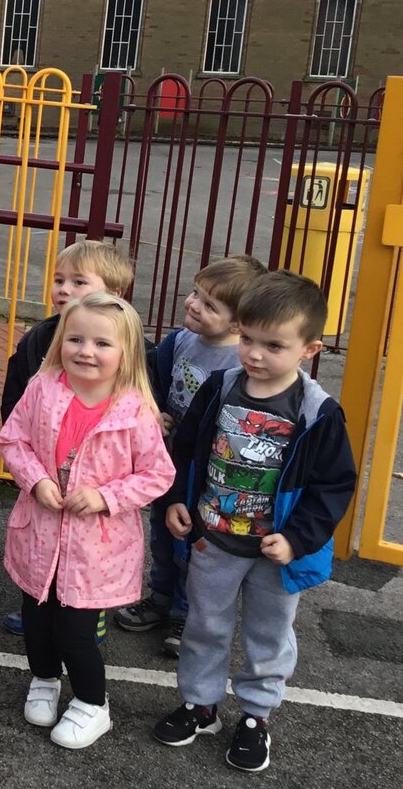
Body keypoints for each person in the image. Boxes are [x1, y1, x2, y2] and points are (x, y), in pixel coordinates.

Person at [152, 271, 356, 773]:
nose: (254, 354)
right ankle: (201, 705)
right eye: (247, 338)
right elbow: (186, 448)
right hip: (215, 539)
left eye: (274, 345)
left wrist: (296, 538)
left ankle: (256, 715)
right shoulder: (222, 387)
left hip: (274, 551)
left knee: (269, 635)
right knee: (204, 623)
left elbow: (333, 486)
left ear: (311, 349)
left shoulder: (317, 412)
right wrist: (177, 498)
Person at [0, 293, 174, 749]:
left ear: (127, 353)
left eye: (102, 343)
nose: (86, 351)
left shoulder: (135, 411)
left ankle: (93, 705)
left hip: (96, 548)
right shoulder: (43, 387)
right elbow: (13, 440)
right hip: (39, 533)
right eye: (75, 339)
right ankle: (44, 678)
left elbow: (158, 474)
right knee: (36, 619)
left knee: (75, 632)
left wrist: (104, 496)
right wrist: (36, 481)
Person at [117, 254, 266, 657]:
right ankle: (160, 596)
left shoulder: (239, 362)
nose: (193, 304)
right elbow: (154, 380)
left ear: (239, 324)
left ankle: (187, 612)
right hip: (169, 462)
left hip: (206, 471)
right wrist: (154, 409)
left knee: (194, 543)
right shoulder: (180, 342)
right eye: (195, 294)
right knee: (162, 534)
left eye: (209, 305)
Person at [0, 239, 135, 636]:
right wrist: (26, 461)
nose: (64, 290)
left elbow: (142, 404)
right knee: (44, 542)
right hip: (48, 467)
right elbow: (16, 396)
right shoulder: (41, 337)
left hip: (99, 477)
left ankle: (89, 609)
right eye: (59, 280)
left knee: (90, 552)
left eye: (78, 282)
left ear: (114, 294)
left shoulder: (127, 343)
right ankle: (39, 604)